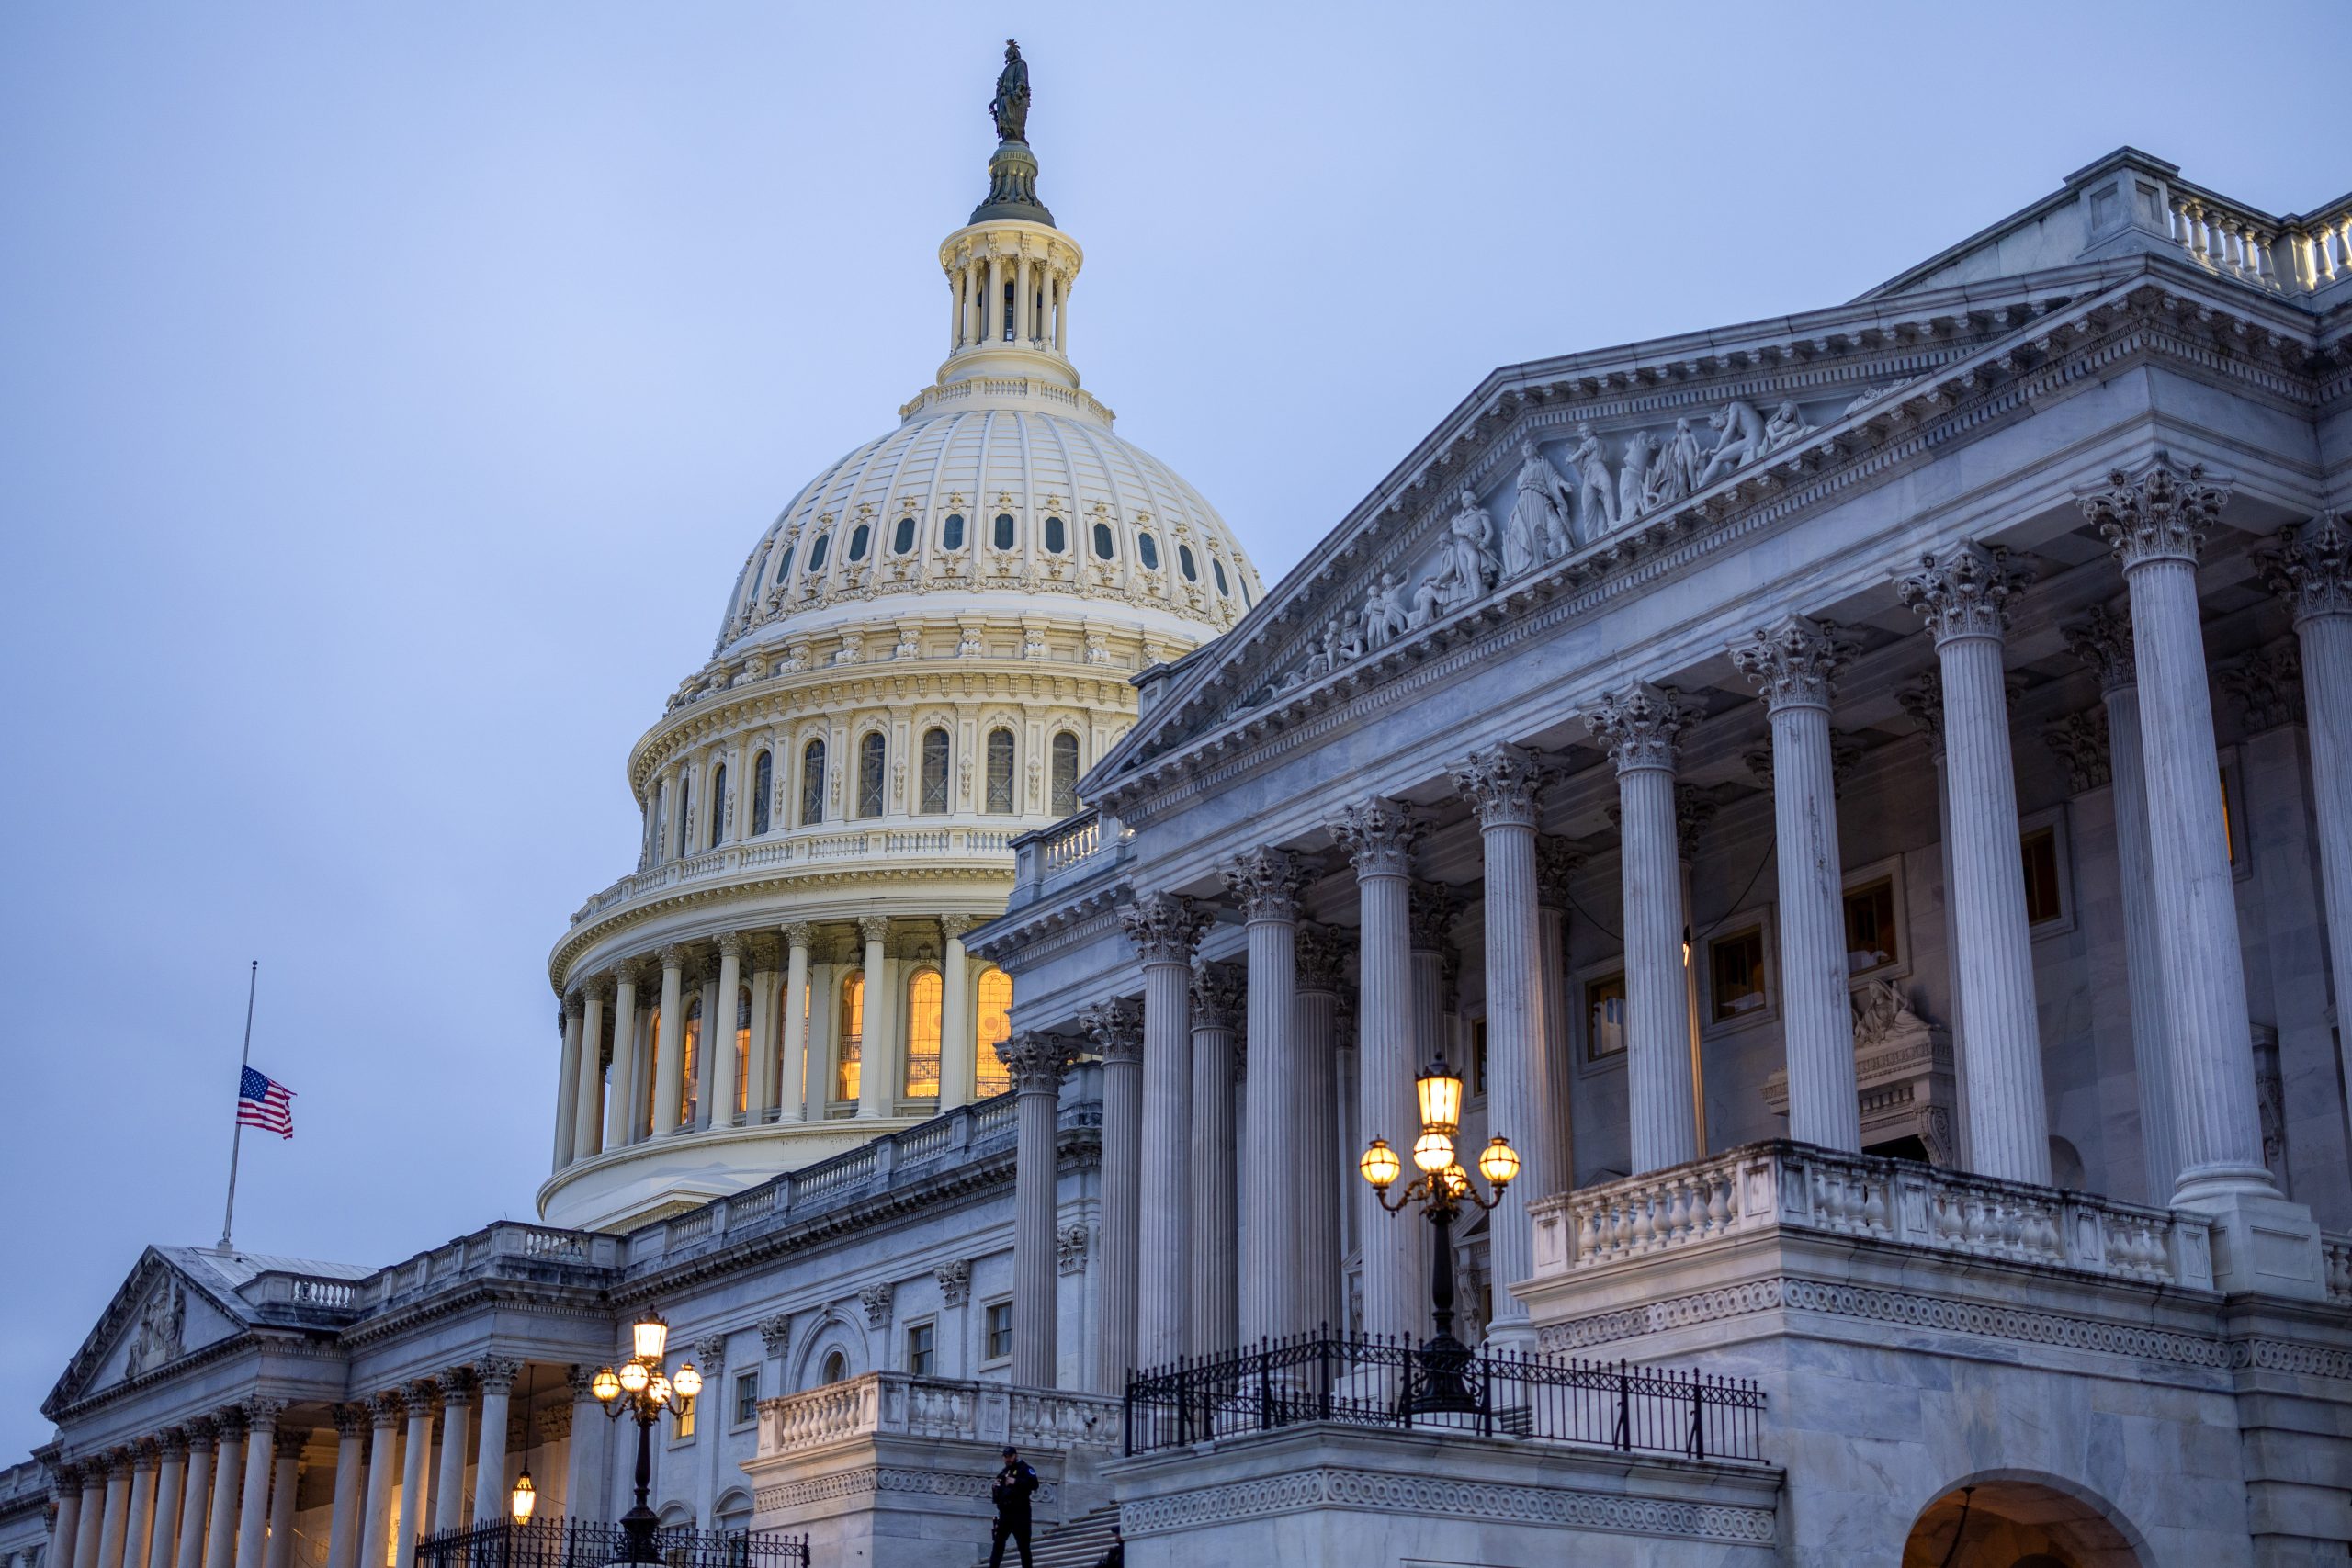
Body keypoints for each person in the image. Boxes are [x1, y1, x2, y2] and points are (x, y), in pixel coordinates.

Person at [989, 1445, 1040, 1568]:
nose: (1008, 1459)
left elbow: (1034, 1484)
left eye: (1010, 1456)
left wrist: (1015, 1481)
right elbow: (997, 1497)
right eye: (1005, 1457)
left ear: (1015, 1455)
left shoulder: (1025, 1469)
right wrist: (995, 1488)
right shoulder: (1003, 1472)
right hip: (1005, 1515)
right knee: (998, 1545)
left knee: (1024, 1547)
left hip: (1020, 1515)